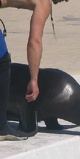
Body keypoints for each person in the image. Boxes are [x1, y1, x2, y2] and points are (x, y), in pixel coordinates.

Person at [0, 0, 69, 141]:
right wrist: (34, 79)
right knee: (3, 63)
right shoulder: (44, 3)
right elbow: (34, 42)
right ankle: (1, 128)